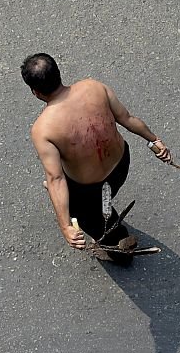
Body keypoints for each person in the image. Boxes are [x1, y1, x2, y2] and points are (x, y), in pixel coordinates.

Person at [23, 54, 170, 264]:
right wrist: (154, 141)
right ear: (58, 73)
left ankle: (119, 250)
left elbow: (56, 179)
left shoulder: (43, 129)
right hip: (120, 165)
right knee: (101, 197)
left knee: (91, 215)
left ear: (35, 92)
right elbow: (127, 119)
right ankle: (105, 208)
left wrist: (66, 225)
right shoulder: (94, 87)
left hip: (88, 190)